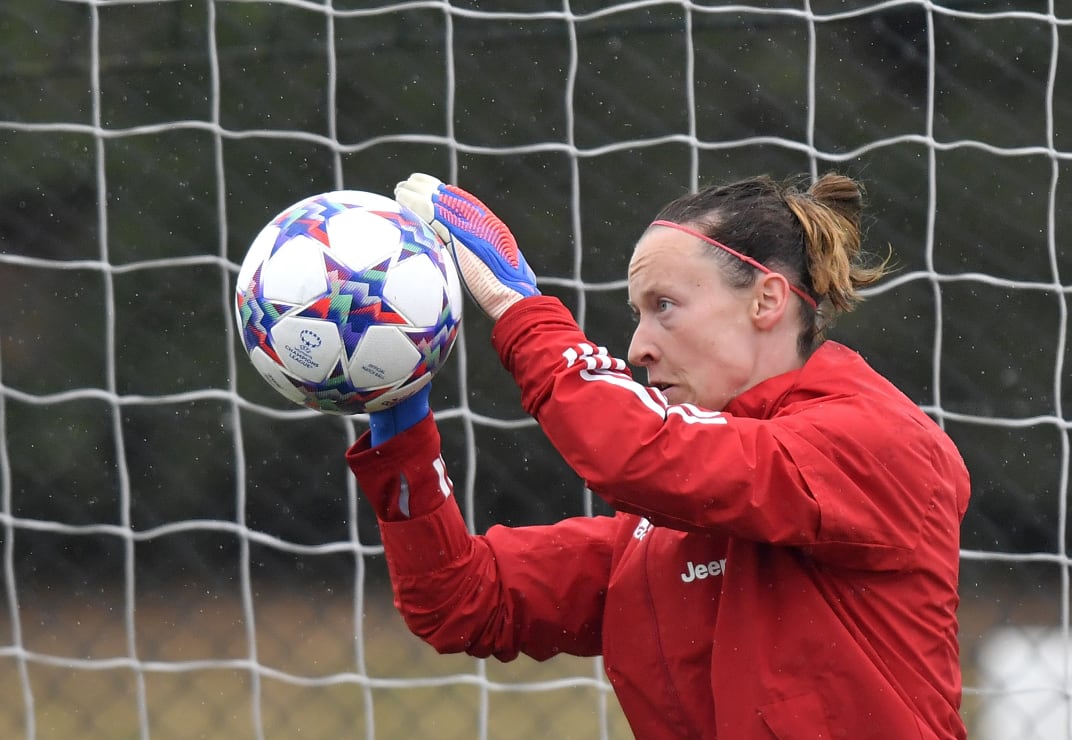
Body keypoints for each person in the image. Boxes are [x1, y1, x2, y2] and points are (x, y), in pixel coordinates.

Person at [346, 171, 971, 739]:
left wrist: (521, 310)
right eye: (638, 314)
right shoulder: (658, 534)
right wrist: (398, 424)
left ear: (767, 300)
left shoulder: (880, 441)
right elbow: (461, 601)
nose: (639, 346)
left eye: (663, 307)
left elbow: (642, 456)